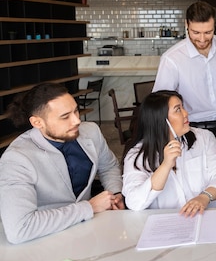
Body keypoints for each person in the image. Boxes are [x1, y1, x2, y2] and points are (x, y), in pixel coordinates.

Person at [0, 83, 124, 244]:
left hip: (88, 231)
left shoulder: (91, 131)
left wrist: (115, 193)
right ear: (37, 122)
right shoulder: (17, 159)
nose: (77, 120)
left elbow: (108, 166)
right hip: (44, 239)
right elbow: (20, 228)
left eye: (76, 110)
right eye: (65, 116)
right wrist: (89, 207)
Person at [153, 1, 216, 159]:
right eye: (196, 33)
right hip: (191, 129)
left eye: (208, 32)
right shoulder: (172, 59)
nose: (202, 39)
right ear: (186, 25)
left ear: (214, 26)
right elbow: (160, 102)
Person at [123, 90, 216, 214]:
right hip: (167, 224)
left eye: (183, 107)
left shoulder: (204, 138)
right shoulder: (137, 155)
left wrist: (204, 197)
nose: (186, 113)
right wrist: (165, 166)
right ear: (160, 120)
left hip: (212, 215)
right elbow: (134, 202)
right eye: (178, 110)